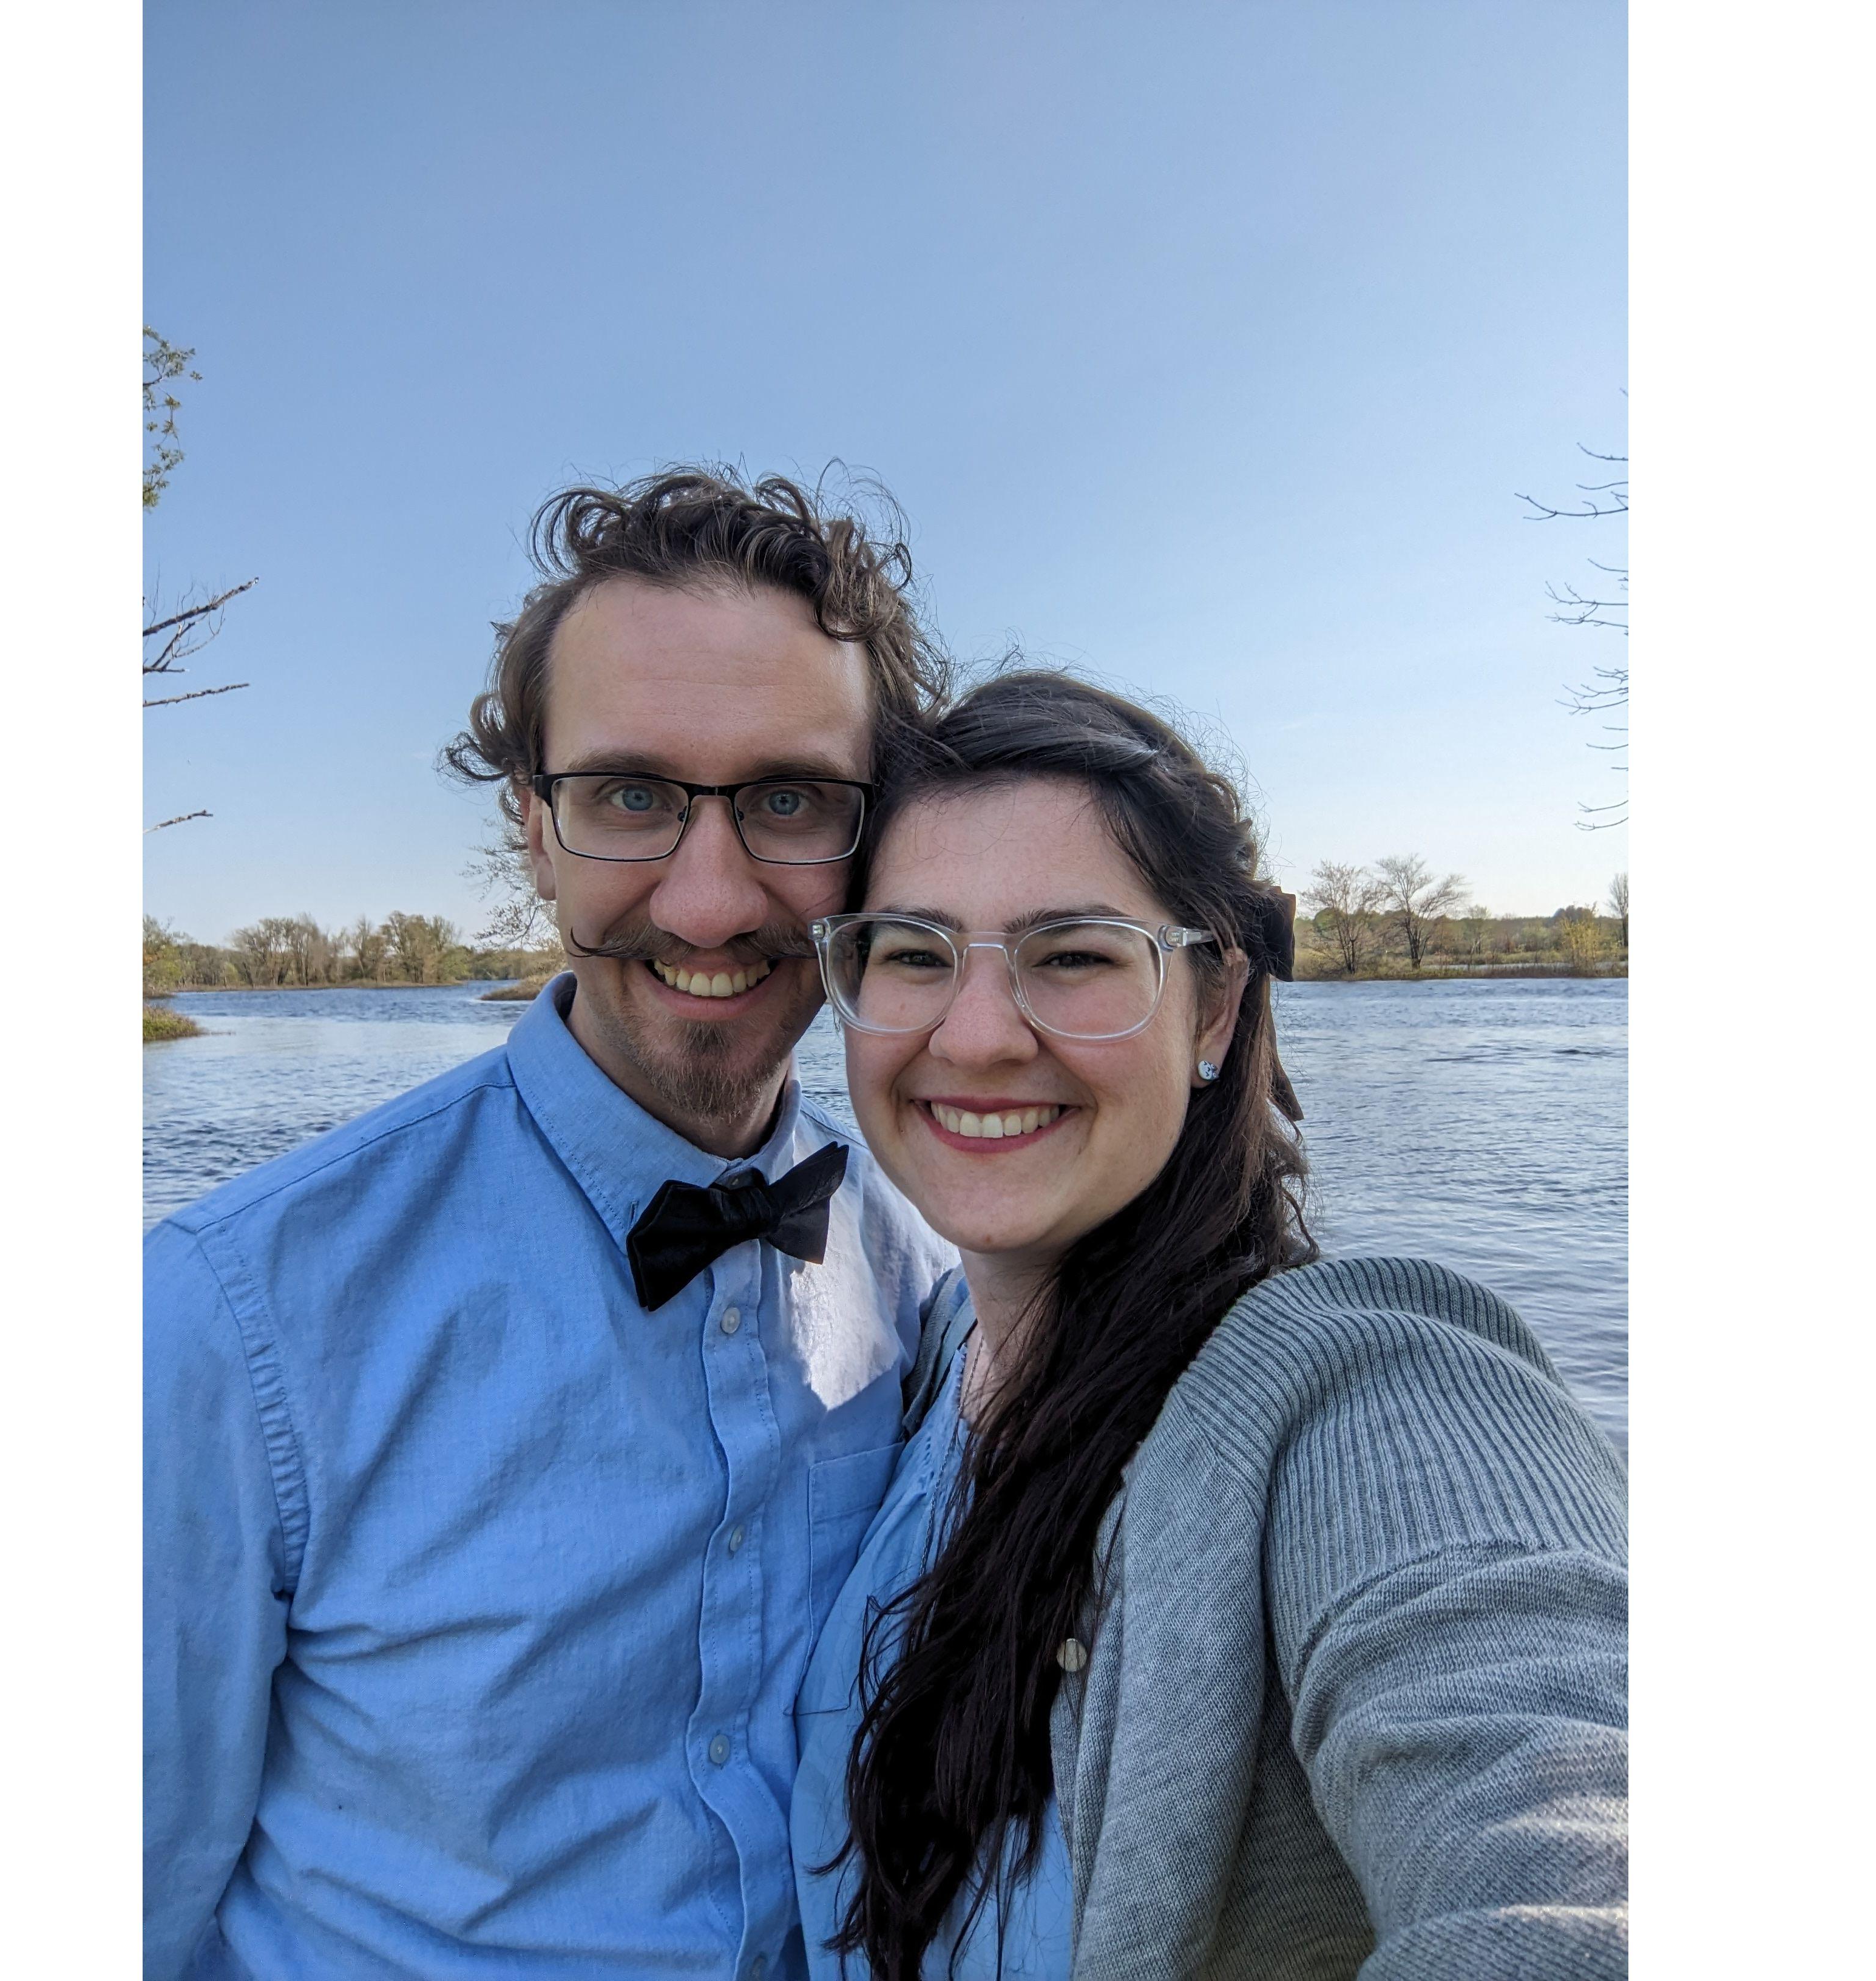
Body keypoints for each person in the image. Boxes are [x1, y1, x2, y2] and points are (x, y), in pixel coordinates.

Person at [143, 469, 961, 1979]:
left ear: (873, 840)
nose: (710, 904)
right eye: (630, 797)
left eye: (789, 800)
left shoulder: (929, 1279)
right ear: (531, 824)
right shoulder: (229, 1315)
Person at [790, 672, 1630, 1980]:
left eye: (1072, 956)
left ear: (1217, 1007)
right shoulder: (939, 1358)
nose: (976, 1034)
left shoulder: (1366, 1394)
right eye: (913, 952)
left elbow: (1582, 1858)